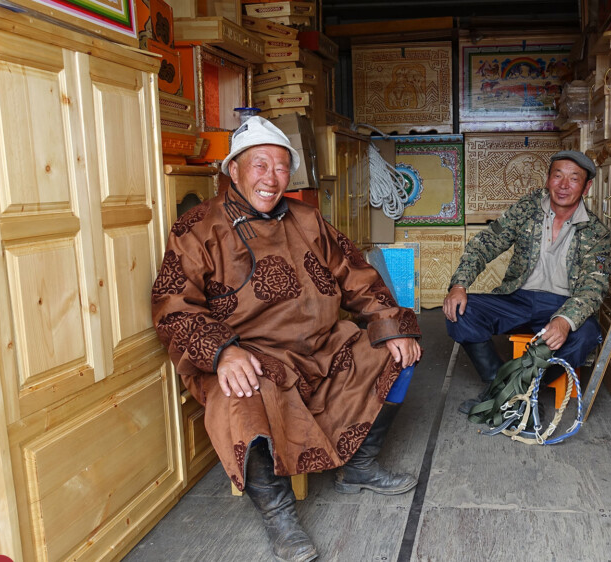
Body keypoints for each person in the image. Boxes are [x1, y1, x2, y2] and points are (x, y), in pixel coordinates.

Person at [152, 116, 422, 562]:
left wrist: (387, 320)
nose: (271, 178)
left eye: (280, 168)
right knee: (238, 396)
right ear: (233, 170)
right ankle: (279, 514)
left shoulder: (306, 218)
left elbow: (354, 274)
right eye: (259, 165)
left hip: (322, 345)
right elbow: (171, 305)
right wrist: (222, 352)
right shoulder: (198, 227)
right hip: (252, 355)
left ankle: (358, 464)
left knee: (398, 349)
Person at [443, 150, 611, 412]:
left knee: (588, 333)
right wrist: (458, 285)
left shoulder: (596, 232)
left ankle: (517, 391)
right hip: (518, 298)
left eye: (574, 179)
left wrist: (565, 320)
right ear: (547, 179)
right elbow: (485, 243)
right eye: (558, 176)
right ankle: (501, 386)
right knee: (461, 310)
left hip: (562, 306)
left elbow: (594, 286)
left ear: (587, 186)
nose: (564, 185)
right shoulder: (527, 209)